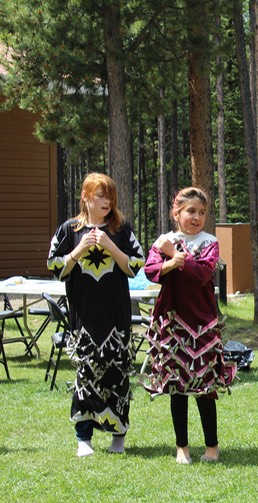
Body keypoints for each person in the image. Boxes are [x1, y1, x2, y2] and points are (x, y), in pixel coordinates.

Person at [47, 172, 145, 457]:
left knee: (117, 374)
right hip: (83, 317)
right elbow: (55, 267)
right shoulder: (69, 229)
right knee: (85, 374)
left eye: (111, 196)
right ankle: (83, 439)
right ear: (86, 196)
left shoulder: (121, 229)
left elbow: (135, 266)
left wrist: (109, 245)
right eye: (101, 195)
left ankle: (118, 437)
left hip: (116, 317)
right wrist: (80, 248)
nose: (107, 202)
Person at [141, 187, 236, 464]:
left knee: (205, 386)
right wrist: (171, 262)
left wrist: (177, 256)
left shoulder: (209, 243)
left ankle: (212, 446)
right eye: (190, 211)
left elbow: (202, 274)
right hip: (171, 324)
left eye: (201, 212)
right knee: (176, 386)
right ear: (176, 213)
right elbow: (150, 270)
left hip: (202, 324)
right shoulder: (165, 240)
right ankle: (181, 446)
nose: (196, 217)